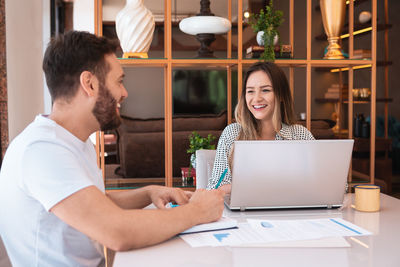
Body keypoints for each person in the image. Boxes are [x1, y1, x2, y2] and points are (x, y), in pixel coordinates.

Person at [0, 31, 225, 267]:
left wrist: (148, 192)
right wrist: (198, 211)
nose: (124, 92)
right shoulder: (42, 150)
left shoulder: (73, 141)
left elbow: (94, 204)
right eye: (119, 80)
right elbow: (116, 232)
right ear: (89, 83)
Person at [207, 62, 315, 193]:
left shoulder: (300, 135)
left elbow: (332, 185)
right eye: (250, 91)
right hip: (242, 212)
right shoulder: (232, 133)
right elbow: (214, 189)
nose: (256, 99)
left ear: (280, 95)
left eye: (265, 90)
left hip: (289, 211)